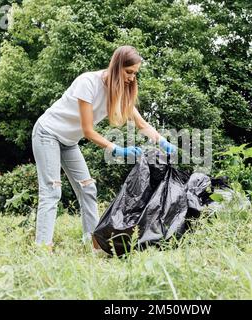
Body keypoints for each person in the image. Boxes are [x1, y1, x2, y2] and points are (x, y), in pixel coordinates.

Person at [31, 45, 176, 251]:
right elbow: (88, 130)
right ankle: (42, 247)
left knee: (88, 188)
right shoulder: (87, 82)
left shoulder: (119, 91)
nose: (132, 78)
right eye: (129, 72)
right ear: (116, 66)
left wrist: (162, 141)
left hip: (69, 142)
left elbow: (142, 124)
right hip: (48, 133)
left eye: (135, 73)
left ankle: (95, 244)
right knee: (52, 190)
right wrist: (116, 149)